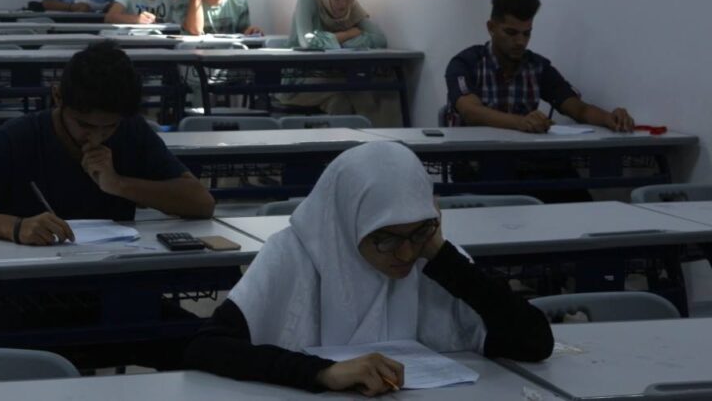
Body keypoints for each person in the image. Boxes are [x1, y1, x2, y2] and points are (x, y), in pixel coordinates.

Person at [183, 141, 553, 394]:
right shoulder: (295, 254)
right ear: (348, 223)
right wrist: (322, 371)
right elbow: (206, 347)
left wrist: (440, 253)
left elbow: (534, 341)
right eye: (387, 238)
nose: (406, 255)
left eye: (419, 232)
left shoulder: (433, 257)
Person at [0, 42, 214, 357]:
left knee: (202, 344)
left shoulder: (132, 132)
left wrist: (120, 185)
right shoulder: (20, 136)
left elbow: (201, 202)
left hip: (114, 291)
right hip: (29, 297)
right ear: (58, 96)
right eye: (86, 125)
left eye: (109, 127)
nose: (97, 136)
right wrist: (16, 227)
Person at [445, 0, 634, 133]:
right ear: (491, 27)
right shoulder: (465, 63)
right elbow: (470, 112)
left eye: (527, 33)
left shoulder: (537, 67)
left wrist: (609, 118)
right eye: (511, 33)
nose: (520, 41)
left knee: (570, 180)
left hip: (525, 160)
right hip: (475, 161)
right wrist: (520, 122)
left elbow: (578, 109)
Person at [276, 0, 396, 122]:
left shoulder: (352, 6)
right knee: (354, 96)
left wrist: (340, 43)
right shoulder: (308, 1)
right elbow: (308, 42)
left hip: (335, 77)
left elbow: (380, 39)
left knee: (354, 97)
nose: (343, 4)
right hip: (299, 81)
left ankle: (374, 142)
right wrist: (348, 34)